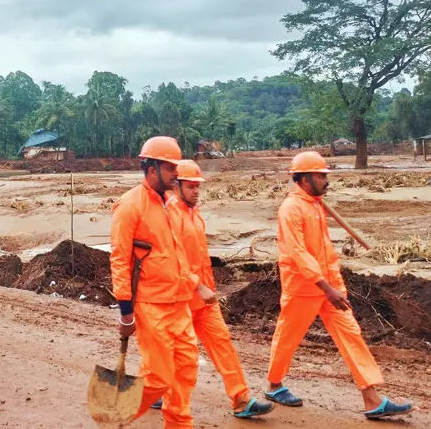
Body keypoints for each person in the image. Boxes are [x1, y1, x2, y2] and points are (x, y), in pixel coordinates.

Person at [265, 152, 412, 419]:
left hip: (329, 285)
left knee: (351, 335)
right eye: (321, 176)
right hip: (303, 287)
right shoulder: (291, 209)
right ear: (305, 178)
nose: (326, 180)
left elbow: (322, 249)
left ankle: (372, 400)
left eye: (325, 175)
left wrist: (333, 284)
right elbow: (299, 253)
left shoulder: (314, 204)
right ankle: (274, 385)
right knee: (288, 337)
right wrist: (325, 286)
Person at [149, 160, 273, 418]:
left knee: (222, 344)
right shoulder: (169, 215)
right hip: (180, 298)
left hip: (204, 299)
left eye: (198, 186)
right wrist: (198, 286)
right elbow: (172, 260)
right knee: (171, 353)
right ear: (176, 185)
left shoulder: (194, 213)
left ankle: (242, 399)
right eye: (191, 186)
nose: (196, 191)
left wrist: (206, 287)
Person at [110, 136, 216, 428]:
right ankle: (118, 415)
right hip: (150, 305)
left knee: (186, 369)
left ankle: (179, 423)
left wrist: (197, 284)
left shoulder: (170, 204)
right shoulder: (129, 205)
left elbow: (177, 255)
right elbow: (119, 260)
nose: (175, 174)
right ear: (151, 167)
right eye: (170, 168)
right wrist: (126, 312)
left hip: (179, 301)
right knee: (158, 377)